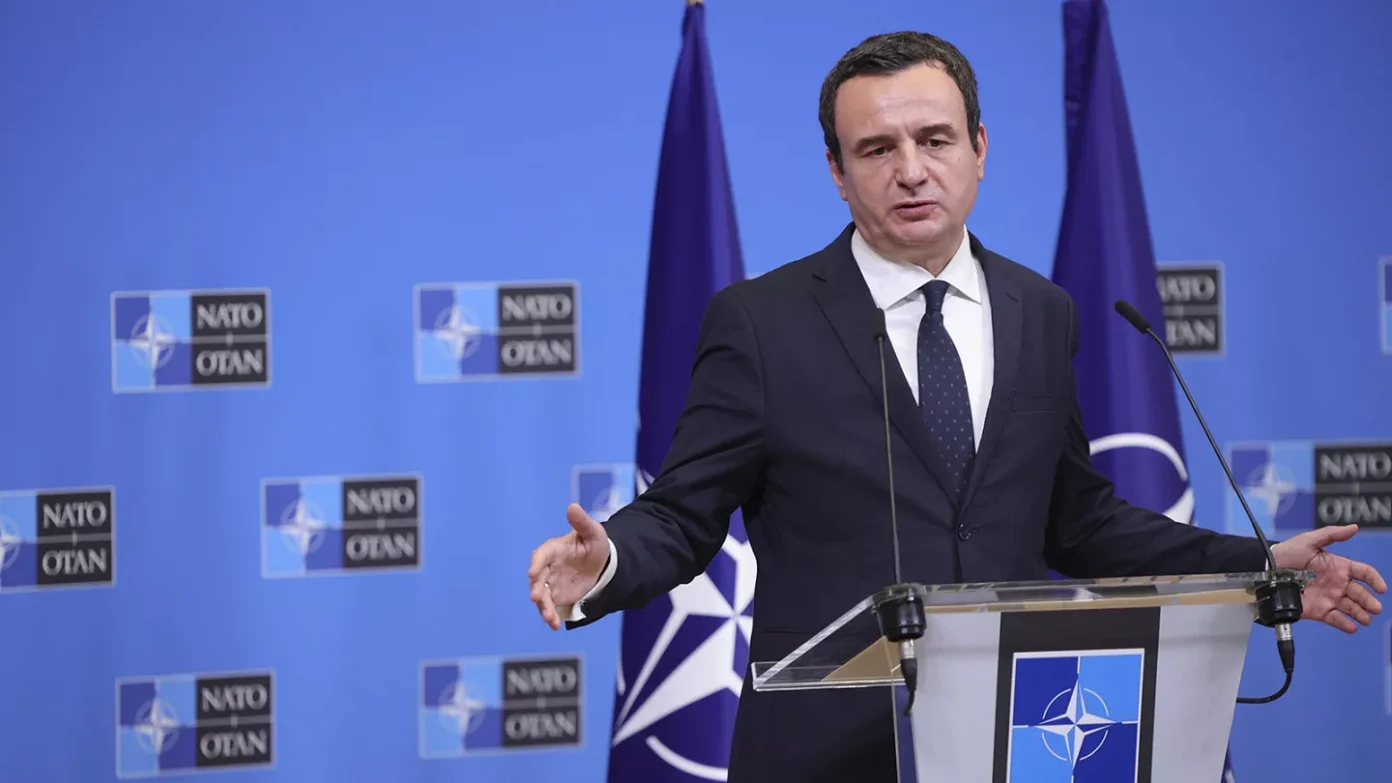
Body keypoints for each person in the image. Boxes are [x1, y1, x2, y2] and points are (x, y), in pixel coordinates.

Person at [526, 30, 1386, 782]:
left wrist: (1259, 564)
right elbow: (682, 513)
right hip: (827, 752)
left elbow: (1078, 521)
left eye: (934, 139)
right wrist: (606, 562)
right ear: (836, 172)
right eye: (876, 149)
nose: (910, 170)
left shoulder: (1041, 311)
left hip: (1024, 741)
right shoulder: (760, 323)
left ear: (979, 147)